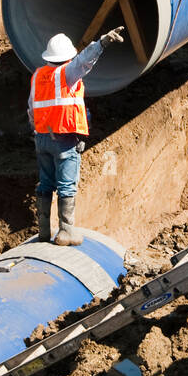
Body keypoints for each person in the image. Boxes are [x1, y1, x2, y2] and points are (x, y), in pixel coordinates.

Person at [29, 27, 124, 246]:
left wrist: (38, 132)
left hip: (42, 138)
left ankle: (43, 231)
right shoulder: (66, 74)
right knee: (66, 185)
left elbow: (31, 109)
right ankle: (66, 231)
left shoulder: (38, 76)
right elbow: (84, 61)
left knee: (45, 182)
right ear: (65, 57)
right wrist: (102, 43)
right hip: (63, 140)